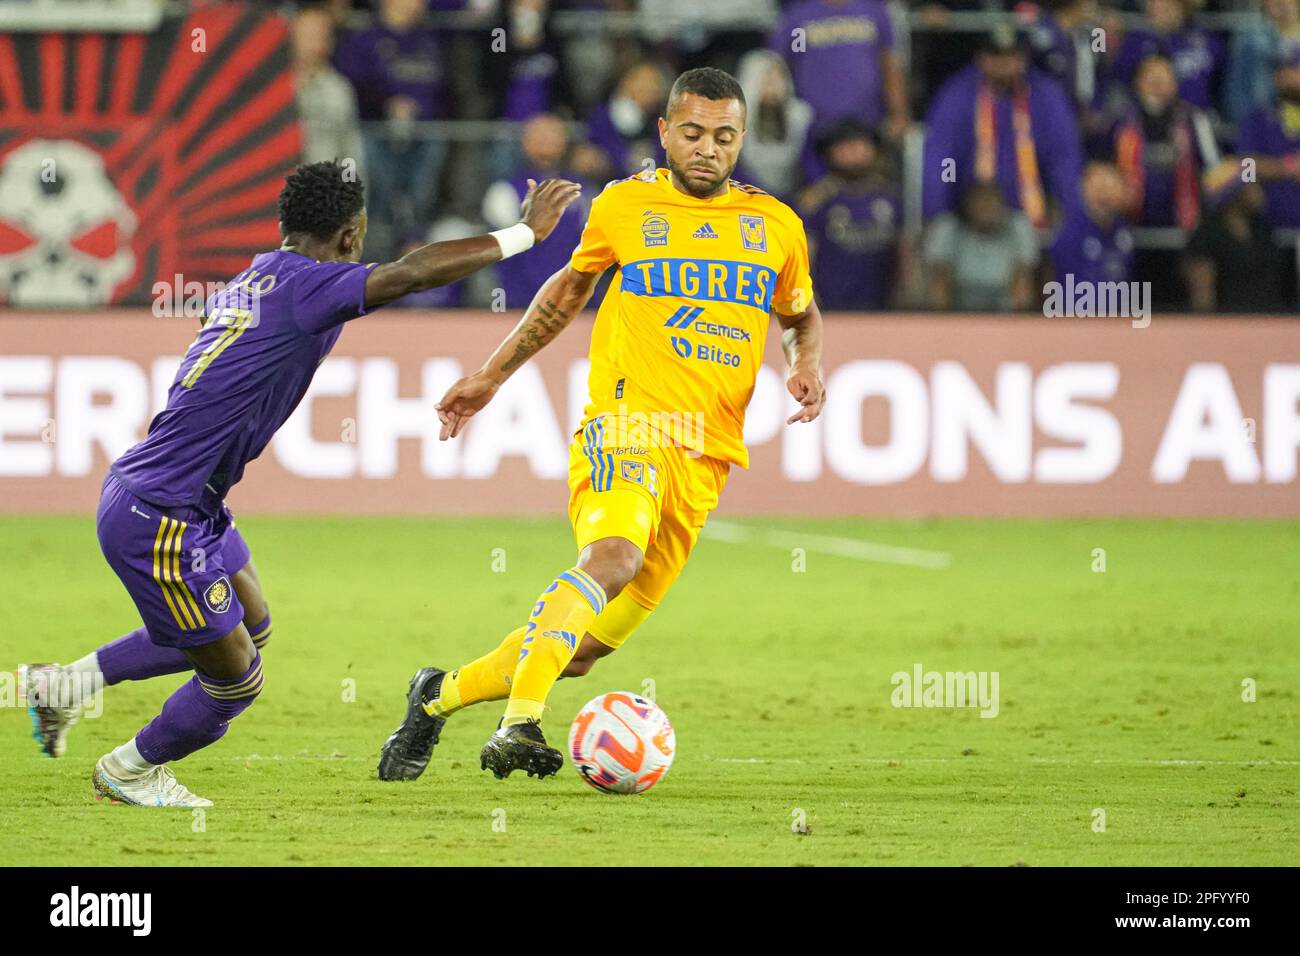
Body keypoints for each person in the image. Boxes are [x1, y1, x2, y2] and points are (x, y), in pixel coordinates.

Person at [18, 161, 580, 807]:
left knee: (249, 627)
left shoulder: (259, 276)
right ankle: (129, 769)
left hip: (179, 500)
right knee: (235, 680)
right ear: (351, 235)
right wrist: (523, 235)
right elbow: (412, 273)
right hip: (160, 516)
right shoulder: (307, 286)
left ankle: (63, 686)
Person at [377, 68, 825, 783]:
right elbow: (566, 294)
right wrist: (491, 375)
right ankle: (519, 723)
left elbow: (798, 313)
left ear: (740, 141)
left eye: (724, 136)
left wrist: (806, 363)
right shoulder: (624, 205)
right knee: (610, 558)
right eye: (692, 133)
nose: (707, 149)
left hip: (705, 457)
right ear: (664, 133)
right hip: (626, 427)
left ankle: (434, 699)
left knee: (583, 652)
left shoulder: (776, 224)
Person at [923, 25, 1083, 226]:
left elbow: (1063, 160)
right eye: (994, 56)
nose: (1002, 64)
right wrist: (940, 214)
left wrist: (1070, 216)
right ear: (980, 59)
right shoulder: (958, 95)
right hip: (969, 223)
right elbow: (944, 159)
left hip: (1031, 219)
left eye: (1010, 56)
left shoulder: (1045, 96)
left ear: (1023, 59)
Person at [482, 113, 592, 309]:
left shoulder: (583, 190)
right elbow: (500, 252)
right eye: (539, 136)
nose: (546, 141)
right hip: (518, 303)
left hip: (576, 302)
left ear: (564, 142)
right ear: (525, 143)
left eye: (553, 135)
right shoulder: (504, 192)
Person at [799, 119, 903, 310]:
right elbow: (805, 253)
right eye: (843, 146)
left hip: (881, 309)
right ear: (829, 153)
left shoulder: (889, 198)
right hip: (830, 307)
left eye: (859, 144)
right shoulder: (816, 200)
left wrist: (902, 297)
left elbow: (903, 253)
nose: (852, 151)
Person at [1111, 53, 1219, 229]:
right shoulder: (1120, 121)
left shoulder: (1194, 119)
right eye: (1151, 77)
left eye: (1164, 77)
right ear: (1138, 83)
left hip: (1185, 221)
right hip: (1131, 223)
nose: (1157, 82)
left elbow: (1213, 168)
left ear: (1174, 84)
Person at [1183, 159, 1289, 312]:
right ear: (1233, 194)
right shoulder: (1205, 236)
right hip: (1230, 325)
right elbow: (1203, 297)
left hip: (1270, 321)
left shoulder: (1263, 230)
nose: (1258, 189)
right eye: (1251, 184)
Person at [924, 180, 1040, 311]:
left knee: (1023, 286)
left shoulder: (1018, 226)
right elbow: (940, 278)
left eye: (992, 202)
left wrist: (1019, 321)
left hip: (1005, 305)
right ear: (967, 205)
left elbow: (1023, 276)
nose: (987, 207)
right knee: (939, 287)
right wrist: (943, 323)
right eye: (981, 202)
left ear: (1002, 205)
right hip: (960, 305)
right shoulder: (948, 227)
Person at [1236, 42, 1300, 228]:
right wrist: (1289, 167)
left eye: (1294, 69)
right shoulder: (1257, 117)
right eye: (1280, 70)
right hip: (1270, 229)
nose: (1285, 77)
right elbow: (1244, 169)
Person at [292, 4, 363, 166]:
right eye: (307, 35)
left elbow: (350, 151)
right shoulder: (275, 88)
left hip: (325, 186)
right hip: (280, 186)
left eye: (320, 35)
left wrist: (353, 188)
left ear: (330, 41)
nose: (313, 43)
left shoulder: (339, 90)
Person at [1048, 161, 1136, 286]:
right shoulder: (1071, 234)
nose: (1106, 195)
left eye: (1112, 187)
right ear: (1084, 190)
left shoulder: (1123, 230)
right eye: (1100, 188)